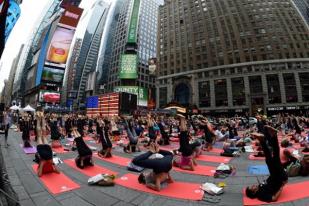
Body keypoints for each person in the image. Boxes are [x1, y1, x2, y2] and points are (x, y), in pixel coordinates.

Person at [246, 126, 288, 203]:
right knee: (275, 159)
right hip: (281, 178)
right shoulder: (261, 195)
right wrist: (282, 186)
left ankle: (264, 139)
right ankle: (272, 136)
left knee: (269, 160)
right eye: (251, 188)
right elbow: (274, 198)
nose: (253, 185)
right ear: (253, 192)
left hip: (274, 175)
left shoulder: (259, 187)